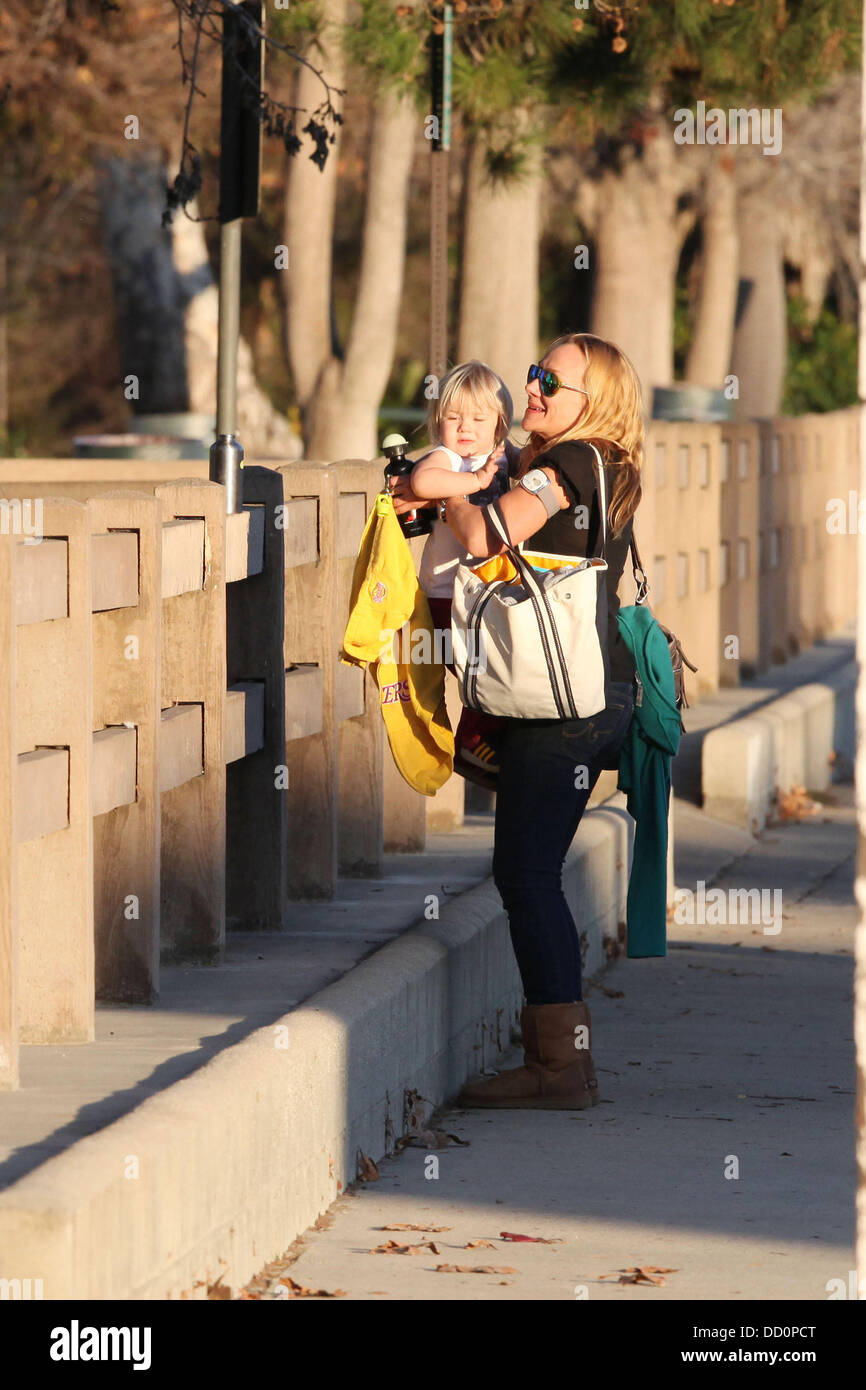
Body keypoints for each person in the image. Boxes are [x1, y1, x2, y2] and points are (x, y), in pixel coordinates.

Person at [392, 333, 644, 1109]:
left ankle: (560, 1071)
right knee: (529, 871)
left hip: (558, 706)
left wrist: (447, 489)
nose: (531, 390)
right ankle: (561, 1062)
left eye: (549, 383)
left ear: (591, 403)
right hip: (591, 695)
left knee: (527, 876)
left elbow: (486, 535)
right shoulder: (613, 464)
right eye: (534, 375)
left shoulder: (568, 463)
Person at [405, 360, 514, 784]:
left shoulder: (503, 458)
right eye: (453, 418)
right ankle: (470, 741)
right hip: (446, 594)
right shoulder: (448, 458)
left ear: (499, 425)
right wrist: (474, 482)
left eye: (478, 418)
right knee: (478, 667)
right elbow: (424, 482)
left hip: (486, 592)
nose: (465, 427)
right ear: (439, 423)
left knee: (496, 666)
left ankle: (483, 740)